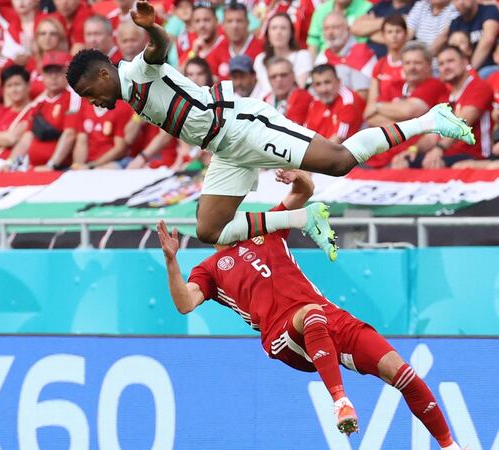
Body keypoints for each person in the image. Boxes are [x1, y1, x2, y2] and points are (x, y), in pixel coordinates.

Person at [66, 0, 475, 260]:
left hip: (239, 125)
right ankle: (302, 217)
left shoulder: (135, 70)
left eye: (89, 92)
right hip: (223, 148)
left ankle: (431, 119)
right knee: (210, 231)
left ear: (104, 73)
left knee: (337, 162)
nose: (92, 102)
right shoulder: (126, 91)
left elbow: (157, 47)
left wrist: (152, 25)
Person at [156, 168, 465, 450]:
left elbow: (304, 191)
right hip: (283, 334)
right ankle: (340, 401)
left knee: (403, 373)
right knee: (310, 314)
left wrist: (297, 175)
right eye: (222, 212)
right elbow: (185, 302)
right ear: (208, 226)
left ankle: (450, 446)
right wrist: (172, 261)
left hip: (329, 319)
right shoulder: (208, 269)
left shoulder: (268, 227)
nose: (233, 213)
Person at [393, 46, 495, 169]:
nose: (446, 67)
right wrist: (414, 149)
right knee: (402, 162)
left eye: (450, 61)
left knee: (435, 164)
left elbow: (460, 124)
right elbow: (433, 135)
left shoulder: (479, 87)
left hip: (475, 156)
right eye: (441, 64)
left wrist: (438, 149)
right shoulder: (445, 95)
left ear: (465, 62)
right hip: (446, 155)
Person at [362, 41, 450, 168]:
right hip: (376, 157)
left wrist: (378, 106)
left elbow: (409, 110)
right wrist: (401, 123)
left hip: (407, 157)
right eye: (407, 63)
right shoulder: (394, 86)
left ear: (429, 65)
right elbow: (369, 116)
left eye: (417, 63)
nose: (412, 67)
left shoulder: (434, 85)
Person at [8, 50, 81, 171]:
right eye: (49, 72)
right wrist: (11, 163)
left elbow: (69, 135)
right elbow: (28, 137)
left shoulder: (72, 97)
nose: (53, 77)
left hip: (61, 167)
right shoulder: (39, 102)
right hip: (34, 167)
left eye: (58, 71)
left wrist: (51, 165)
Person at [314, 12, 376, 96]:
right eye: (326, 28)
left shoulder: (363, 52)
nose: (330, 33)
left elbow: (365, 92)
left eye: (335, 27)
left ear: (347, 29)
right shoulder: (322, 57)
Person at [304, 64, 366, 144]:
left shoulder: (348, 102)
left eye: (327, 82)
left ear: (338, 81)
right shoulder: (316, 101)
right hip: (321, 152)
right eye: (318, 84)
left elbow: (336, 143)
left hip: (342, 154)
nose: (323, 89)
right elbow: (307, 136)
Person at [253, 13, 313, 91]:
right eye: (274, 28)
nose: (278, 32)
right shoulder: (260, 59)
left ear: (291, 33)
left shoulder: (302, 56)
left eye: (283, 28)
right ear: (268, 33)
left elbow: (300, 87)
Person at [365, 14, 408, 110]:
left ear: (406, 34)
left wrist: (377, 107)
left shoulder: (413, 63)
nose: (394, 35)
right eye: (389, 32)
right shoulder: (379, 65)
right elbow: (370, 106)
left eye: (398, 31)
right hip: (384, 118)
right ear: (383, 36)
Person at [262, 57, 313, 125]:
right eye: (273, 77)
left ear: (293, 75)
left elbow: (292, 129)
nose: (279, 80)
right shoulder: (266, 100)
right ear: (268, 79)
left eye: (283, 75)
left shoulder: (303, 97)